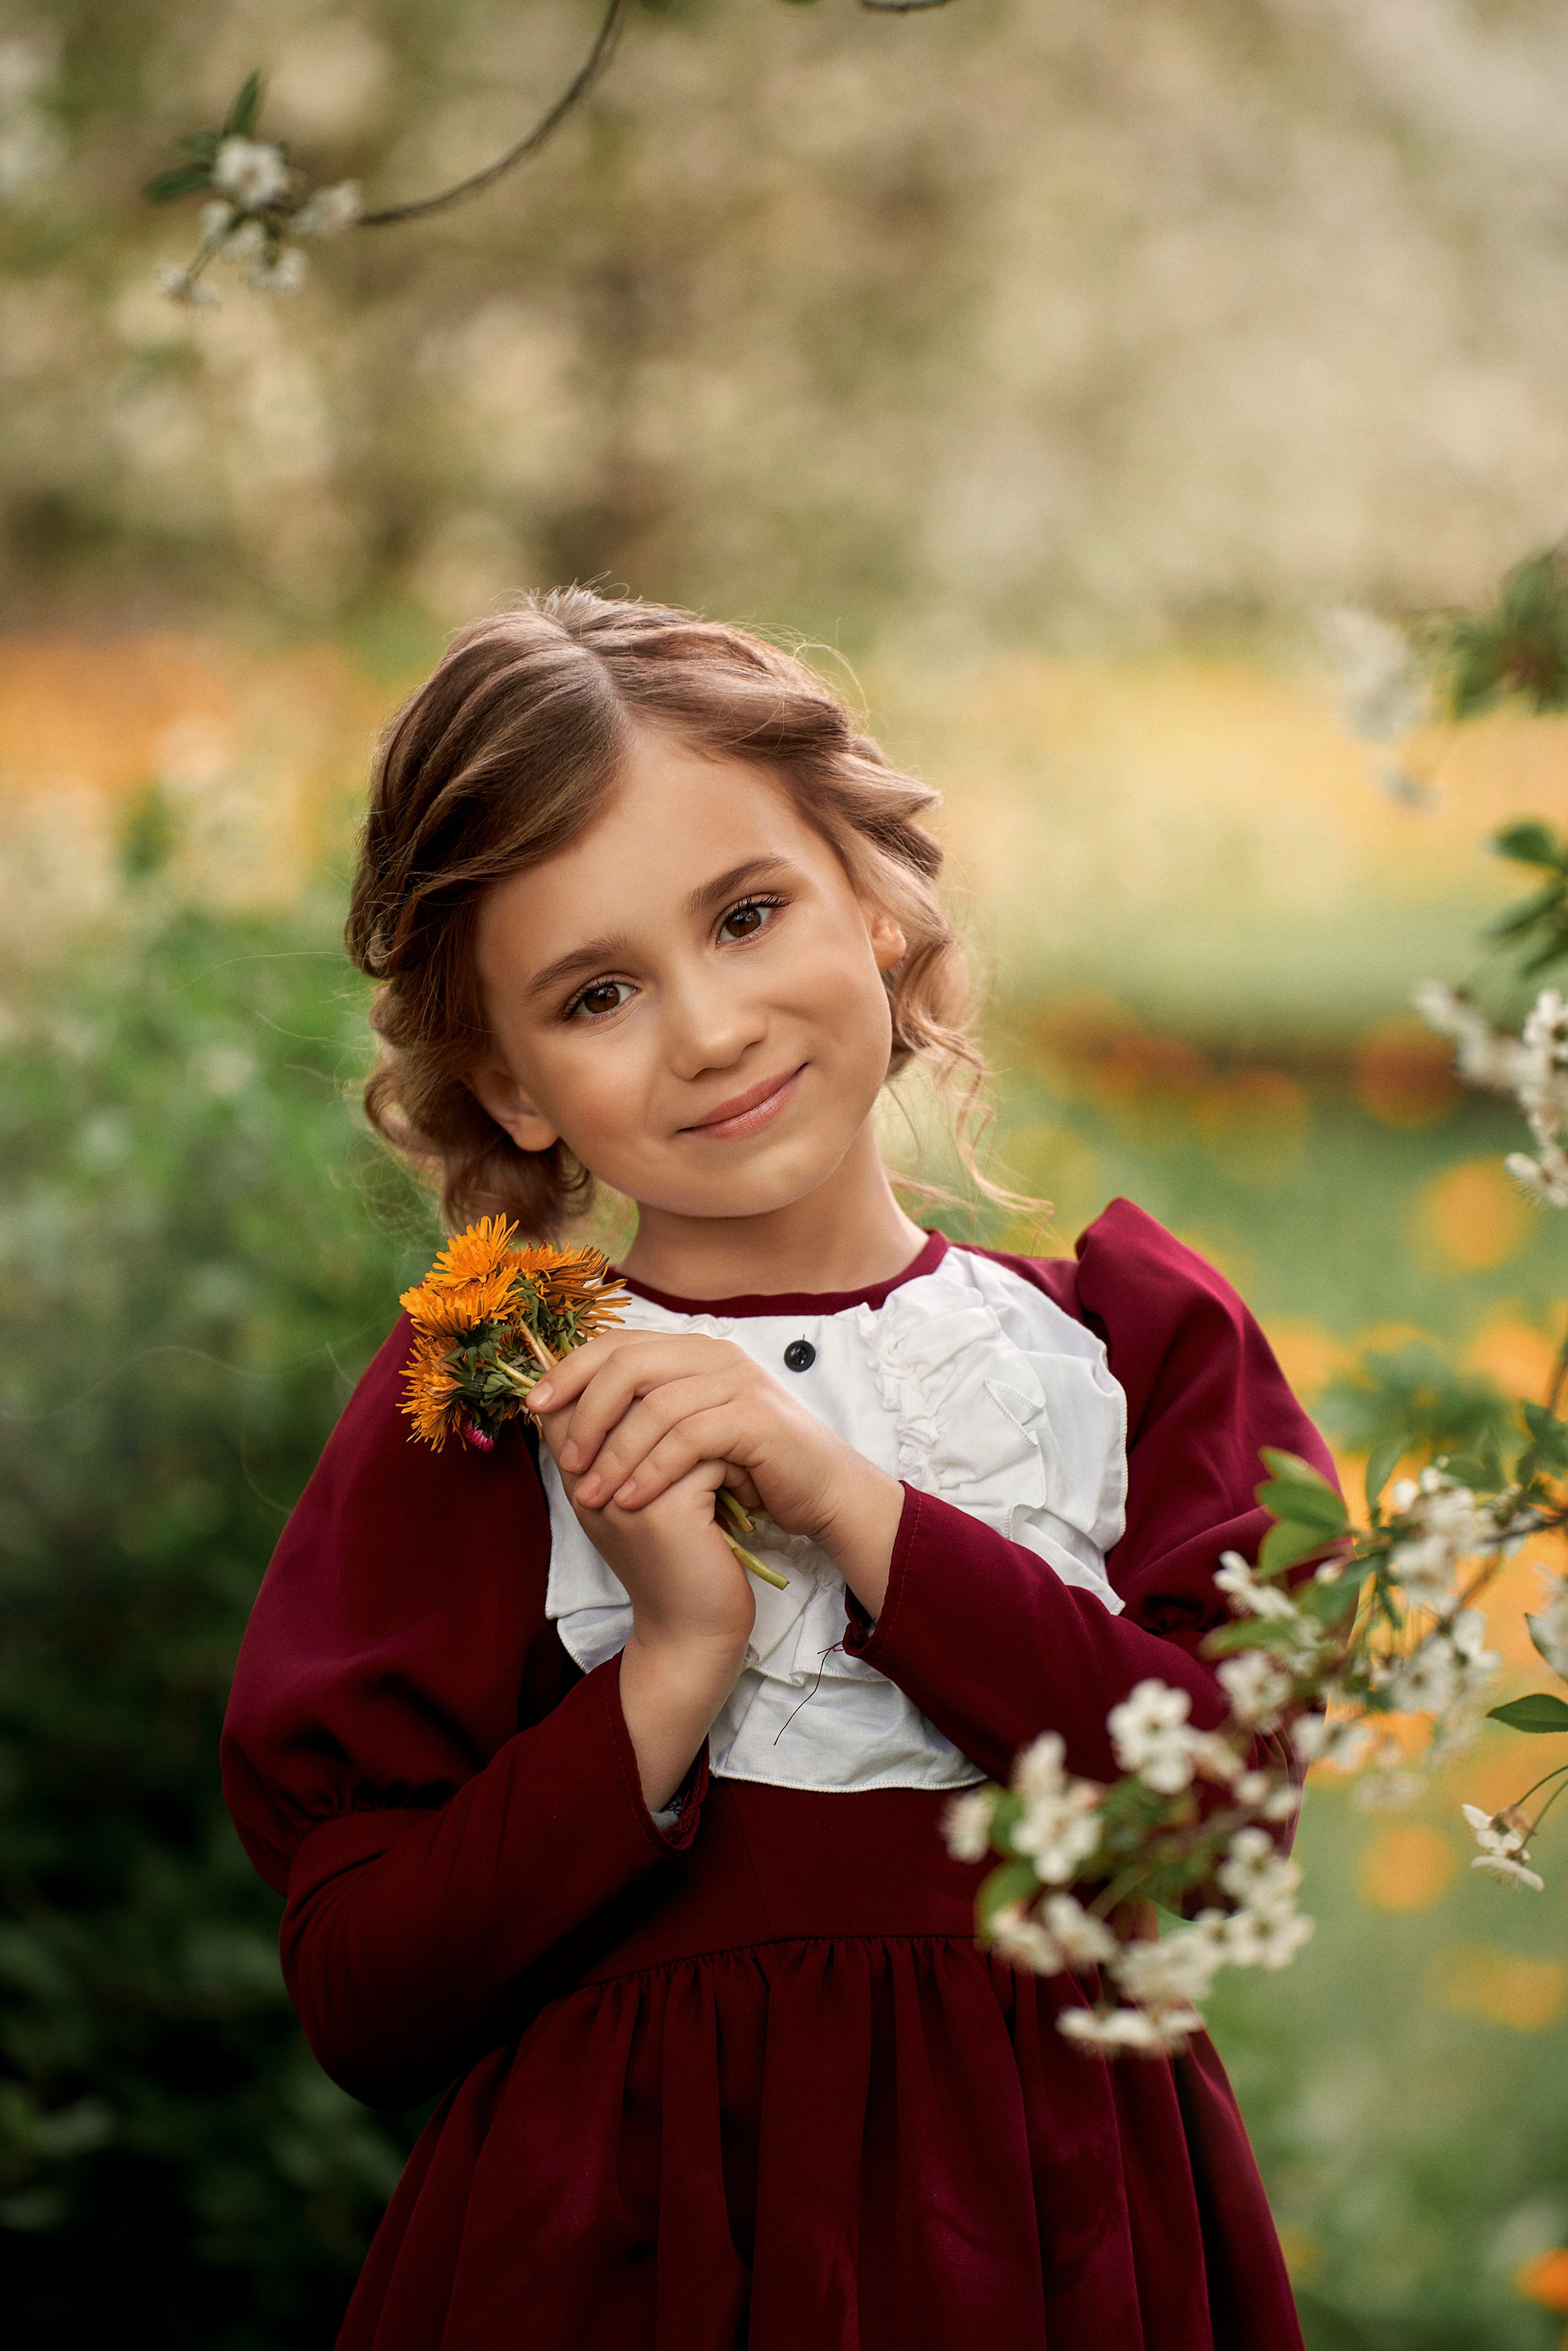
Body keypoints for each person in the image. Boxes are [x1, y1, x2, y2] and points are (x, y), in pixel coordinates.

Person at [221, 588, 1327, 2351]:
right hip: (613, 2268)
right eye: (597, 993)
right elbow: (367, 1998)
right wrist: (671, 1662)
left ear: (880, 911)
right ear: (509, 1086)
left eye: (748, 915)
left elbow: (1215, 1837)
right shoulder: (493, 1396)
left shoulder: (1129, 1353)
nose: (712, 1028)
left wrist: (853, 1510)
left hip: (1060, 2250)